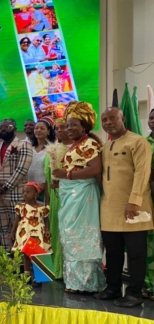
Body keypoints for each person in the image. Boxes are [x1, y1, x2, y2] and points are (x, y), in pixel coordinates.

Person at [95, 107, 153, 307]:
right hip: (109, 208)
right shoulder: (105, 147)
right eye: (104, 120)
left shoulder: (138, 142)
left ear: (123, 119)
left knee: (136, 253)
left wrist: (134, 201)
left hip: (134, 207)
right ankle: (113, 288)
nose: (108, 123)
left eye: (112, 118)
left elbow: (142, 173)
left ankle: (134, 293)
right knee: (113, 252)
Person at [52, 102, 105, 294]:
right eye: (67, 125)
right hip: (72, 193)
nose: (69, 128)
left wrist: (67, 175)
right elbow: (78, 168)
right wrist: (62, 181)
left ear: (84, 127)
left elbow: (95, 169)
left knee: (82, 236)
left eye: (73, 125)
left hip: (83, 195)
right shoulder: (77, 144)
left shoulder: (89, 143)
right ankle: (75, 282)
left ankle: (87, 283)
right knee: (70, 234)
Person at [0, 119, 33, 250]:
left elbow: (22, 168)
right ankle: (7, 254)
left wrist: (6, 186)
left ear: (14, 128)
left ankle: (21, 257)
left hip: (16, 193)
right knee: (3, 228)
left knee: (19, 226)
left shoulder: (24, 145)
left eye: (7, 127)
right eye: (1, 127)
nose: (3, 129)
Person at [43, 118, 72, 279]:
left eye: (63, 127)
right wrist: (47, 202)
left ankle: (70, 271)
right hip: (55, 198)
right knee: (55, 231)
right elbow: (48, 180)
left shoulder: (76, 149)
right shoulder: (52, 150)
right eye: (57, 128)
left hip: (72, 197)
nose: (59, 131)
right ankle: (55, 268)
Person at [11, 182, 51, 287]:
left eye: (28, 192)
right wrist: (12, 232)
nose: (25, 194)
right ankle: (26, 276)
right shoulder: (20, 207)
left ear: (36, 194)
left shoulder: (41, 208)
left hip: (37, 234)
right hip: (24, 233)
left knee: (37, 255)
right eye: (23, 192)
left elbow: (46, 220)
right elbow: (17, 220)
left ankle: (39, 279)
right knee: (25, 254)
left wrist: (47, 230)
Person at [27, 118, 56, 200]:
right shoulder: (29, 148)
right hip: (29, 187)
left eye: (42, 128)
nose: (38, 130)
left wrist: (43, 186)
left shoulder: (53, 149)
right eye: (36, 128)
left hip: (45, 187)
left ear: (48, 131)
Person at [144, 109, 154, 301]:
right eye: (151, 118)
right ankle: (149, 284)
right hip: (147, 198)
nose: (152, 121)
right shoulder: (144, 142)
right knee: (148, 244)